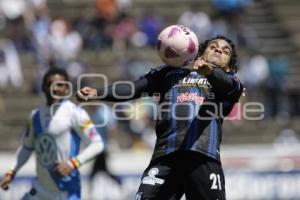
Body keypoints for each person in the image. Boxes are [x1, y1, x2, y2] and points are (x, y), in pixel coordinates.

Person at [77, 35, 243, 200]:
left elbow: (228, 85)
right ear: (200, 53)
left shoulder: (229, 82)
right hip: (166, 156)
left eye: (225, 51)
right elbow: (134, 88)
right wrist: (98, 92)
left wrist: (209, 71)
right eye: (213, 46)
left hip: (203, 158)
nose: (219, 50)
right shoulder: (167, 73)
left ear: (229, 66)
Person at [0, 67, 104, 200]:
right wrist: (11, 171)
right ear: (43, 88)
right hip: (40, 190)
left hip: (66, 192)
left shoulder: (75, 113)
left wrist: (73, 164)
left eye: (59, 85)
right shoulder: (35, 116)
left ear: (67, 89)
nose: (54, 89)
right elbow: (26, 147)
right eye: (50, 84)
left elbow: (97, 144)